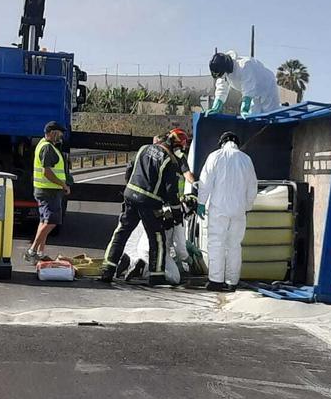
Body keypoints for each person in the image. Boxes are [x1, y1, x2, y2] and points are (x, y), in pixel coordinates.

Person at [99, 128, 189, 286]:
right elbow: (171, 192)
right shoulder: (169, 160)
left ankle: (108, 269)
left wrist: (131, 188)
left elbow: (129, 170)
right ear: (177, 145)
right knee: (157, 239)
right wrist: (176, 214)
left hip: (130, 196)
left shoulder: (143, 148)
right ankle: (156, 276)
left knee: (121, 232)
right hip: (150, 202)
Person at [197, 131, 258, 291]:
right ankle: (232, 282)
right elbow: (253, 186)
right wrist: (247, 206)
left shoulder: (215, 156)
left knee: (216, 243)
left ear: (222, 143)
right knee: (234, 246)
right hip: (238, 211)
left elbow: (205, 181)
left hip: (219, 210)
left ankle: (216, 281)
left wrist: (201, 202)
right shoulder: (246, 159)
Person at [25, 121, 71, 263]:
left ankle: (40, 252)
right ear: (52, 133)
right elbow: (47, 172)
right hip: (49, 191)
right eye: (59, 132)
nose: (61, 135)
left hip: (46, 190)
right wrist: (63, 184)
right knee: (51, 221)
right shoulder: (47, 148)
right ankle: (32, 251)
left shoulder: (45, 145)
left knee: (44, 220)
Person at [206, 50, 283, 117]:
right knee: (253, 115)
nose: (221, 77)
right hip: (254, 94)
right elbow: (221, 89)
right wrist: (216, 107)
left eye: (221, 74)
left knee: (271, 113)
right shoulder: (224, 73)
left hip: (267, 86)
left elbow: (248, 88)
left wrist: (244, 108)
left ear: (226, 68)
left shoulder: (245, 65)